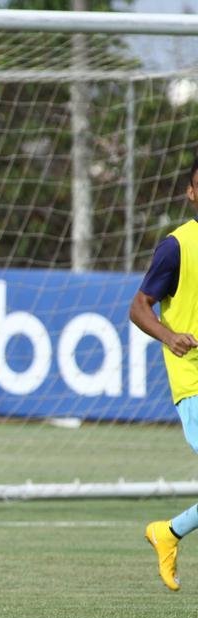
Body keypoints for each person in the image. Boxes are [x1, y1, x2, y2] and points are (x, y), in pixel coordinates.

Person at [131, 154, 198, 592]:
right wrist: (170, 336)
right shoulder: (176, 247)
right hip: (194, 384)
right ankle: (168, 532)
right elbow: (138, 307)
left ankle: (168, 532)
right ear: (192, 193)